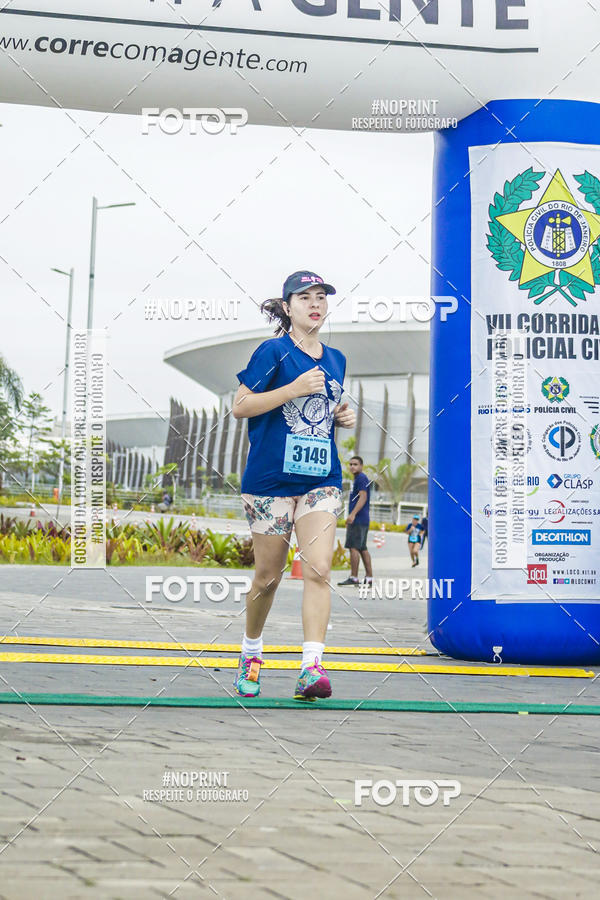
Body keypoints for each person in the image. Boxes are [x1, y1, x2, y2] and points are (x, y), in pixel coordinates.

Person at [232, 270, 356, 701]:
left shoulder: (337, 358)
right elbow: (241, 406)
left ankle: (311, 668)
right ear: (287, 308)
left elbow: (321, 410)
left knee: (320, 567)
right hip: (270, 480)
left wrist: (339, 416)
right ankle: (251, 653)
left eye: (321, 296)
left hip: (321, 478)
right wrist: (292, 389)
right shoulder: (274, 351)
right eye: (304, 297)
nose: (315, 304)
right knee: (267, 577)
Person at [338, 456, 373, 587]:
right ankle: (369, 578)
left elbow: (363, 497)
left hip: (358, 519)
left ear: (361, 466)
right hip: (363, 519)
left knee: (353, 548)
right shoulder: (358, 479)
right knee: (362, 548)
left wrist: (352, 514)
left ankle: (354, 577)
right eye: (351, 464)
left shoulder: (361, 478)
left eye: (355, 464)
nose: (352, 466)